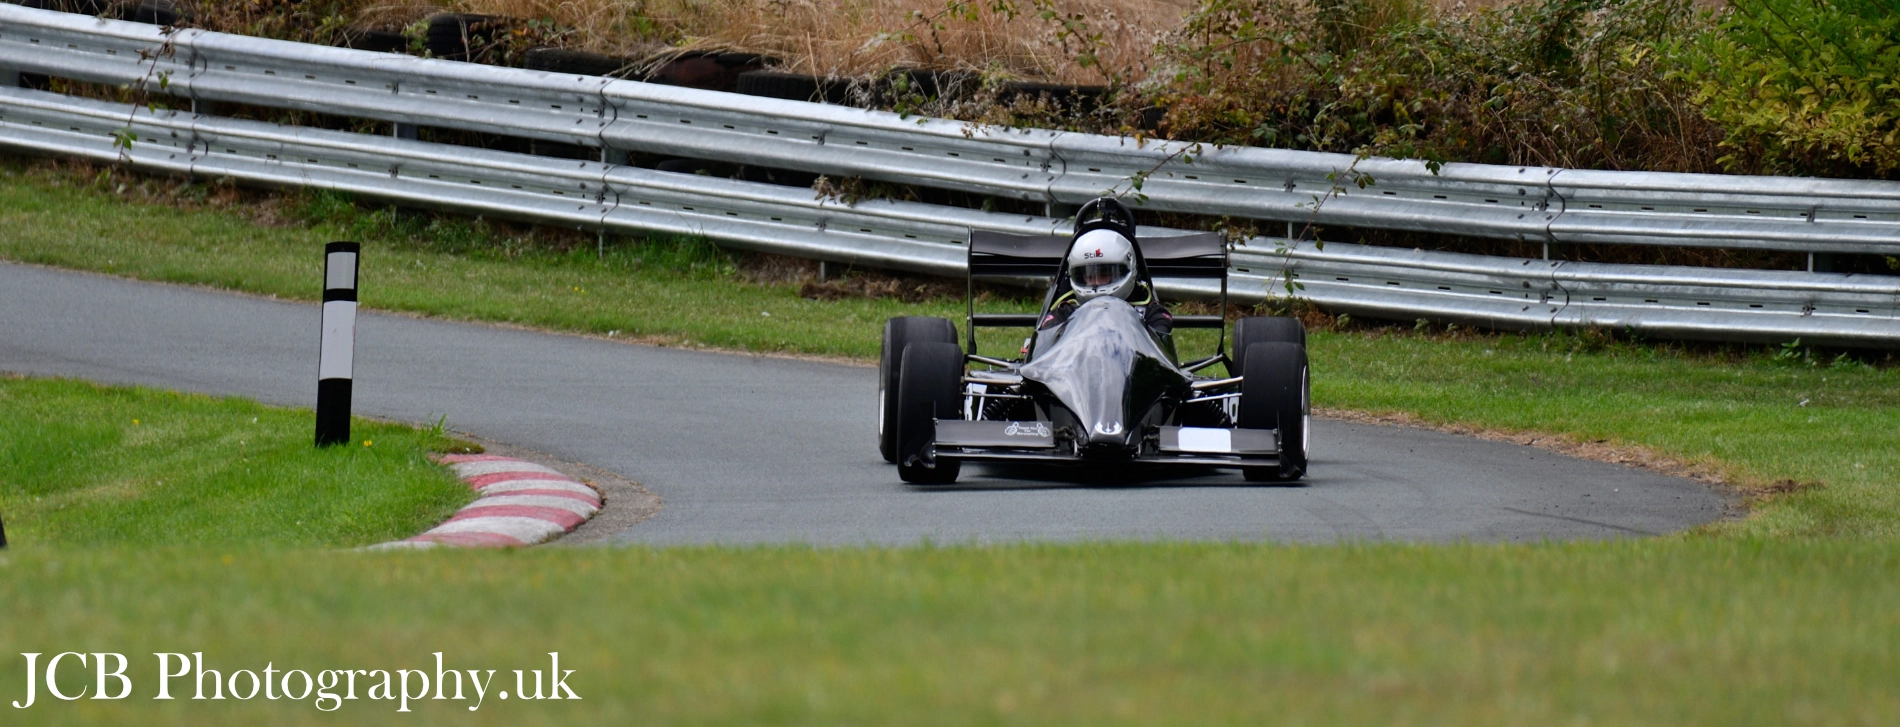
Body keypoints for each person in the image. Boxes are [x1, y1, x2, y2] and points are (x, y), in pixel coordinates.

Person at [1037, 224, 1174, 337]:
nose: (1096, 282)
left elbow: (1162, 328)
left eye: (1104, 274)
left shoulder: (1150, 312)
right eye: (1090, 276)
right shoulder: (1064, 313)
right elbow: (1046, 335)